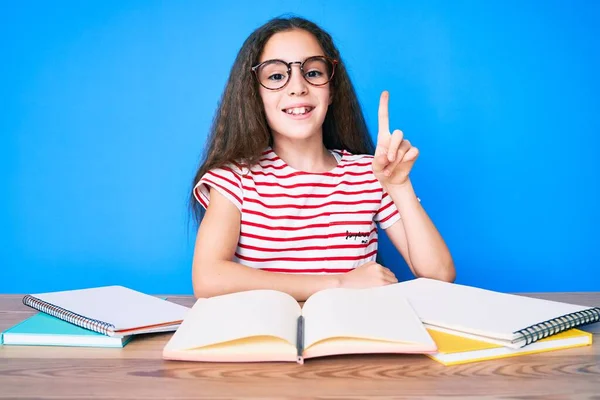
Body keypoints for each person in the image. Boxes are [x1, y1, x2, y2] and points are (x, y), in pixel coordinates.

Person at [189, 16, 455, 301]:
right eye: (277, 76)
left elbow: (439, 275)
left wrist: (400, 187)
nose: (298, 87)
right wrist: (339, 282)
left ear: (331, 92)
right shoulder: (234, 178)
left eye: (313, 73)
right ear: (254, 95)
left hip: (351, 337)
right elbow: (208, 278)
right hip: (265, 339)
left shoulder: (370, 174)